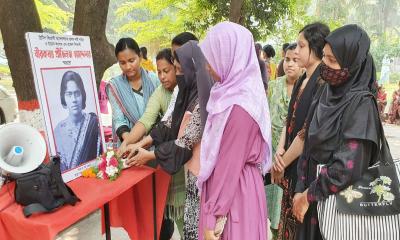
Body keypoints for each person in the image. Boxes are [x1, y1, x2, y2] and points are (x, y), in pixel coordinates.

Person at [293, 24, 380, 240]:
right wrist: (299, 188)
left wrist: (308, 195)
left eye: (332, 60)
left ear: (352, 64)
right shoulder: (325, 92)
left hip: (339, 210)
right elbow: (309, 146)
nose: (324, 64)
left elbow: (347, 167)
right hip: (310, 202)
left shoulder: (362, 105)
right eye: (324, 56)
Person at [125, 40, 213, 240]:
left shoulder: (203, 99)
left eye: (180, 70)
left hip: (202, 176)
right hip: (190, 171)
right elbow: (168, 124)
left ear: (192, 68)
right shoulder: (186, 93)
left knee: (197, 230)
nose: (178, 75)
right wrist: (140, 143)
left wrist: (150, 154)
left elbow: (186, 141)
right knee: (190, 230)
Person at [197, 21, 272, 240]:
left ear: (229, 56)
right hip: (230, 190)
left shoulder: (241, 106)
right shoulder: (230, 94)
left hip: (234, 195)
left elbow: (229, 164)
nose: (207, 66)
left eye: (212, 58)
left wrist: (212, 215)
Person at [271, 22, 330, 240]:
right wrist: (279, 151)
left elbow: (306, 132)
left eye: (301, 46)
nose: (296, 51)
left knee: (299, 225)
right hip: (288, 159)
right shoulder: (303, 79)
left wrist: (282, 162)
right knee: (286, 221)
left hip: (303, 165)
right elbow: (289, 119)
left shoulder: (323, 82)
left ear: (316, 48)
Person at [266, 43, 302, 234]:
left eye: (296, 60)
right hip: (272, 156)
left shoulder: (305, 88)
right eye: (287, 59)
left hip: (293, 158)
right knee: (270, 206)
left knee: (286, 212)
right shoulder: (273, 86)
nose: (290, 64)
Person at [118, 48, 176, 153]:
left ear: (176, 68)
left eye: (166, 71)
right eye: (159, 72)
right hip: (169, 148)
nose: (162, 77)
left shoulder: (186, 89)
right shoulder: (159, 92)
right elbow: (146, 120)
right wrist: (125, 143)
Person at [106, 38, 159, 146]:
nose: (128, 67)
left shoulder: (154, 80)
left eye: (131, 61)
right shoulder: (114, 86)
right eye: (122, 63)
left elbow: (162, 114)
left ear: (140, 56)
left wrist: (146, 141)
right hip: (128, 145)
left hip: (154, 142)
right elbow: (119, 120)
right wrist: (131, 142)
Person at [54, 70, 102, 172]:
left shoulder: (93, 123)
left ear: (82, 95)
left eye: (77, 93)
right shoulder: (59, 131)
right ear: (64, 98)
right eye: (69, 94)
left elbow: (100, 156)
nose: (74, 99)